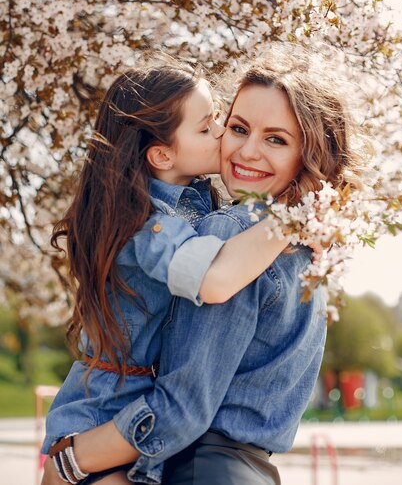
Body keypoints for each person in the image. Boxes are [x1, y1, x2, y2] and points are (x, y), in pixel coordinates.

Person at [42, 43, 367, 485]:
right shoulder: (274, 237)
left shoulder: (243, 230)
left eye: (276, 138)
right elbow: (212, 285)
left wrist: (70, 463)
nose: (240, 148)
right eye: (234, 127)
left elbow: (181, 407)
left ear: (309, 151)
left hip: (195, 462)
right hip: (117, 417)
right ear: (161, 154)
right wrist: (298, 218)